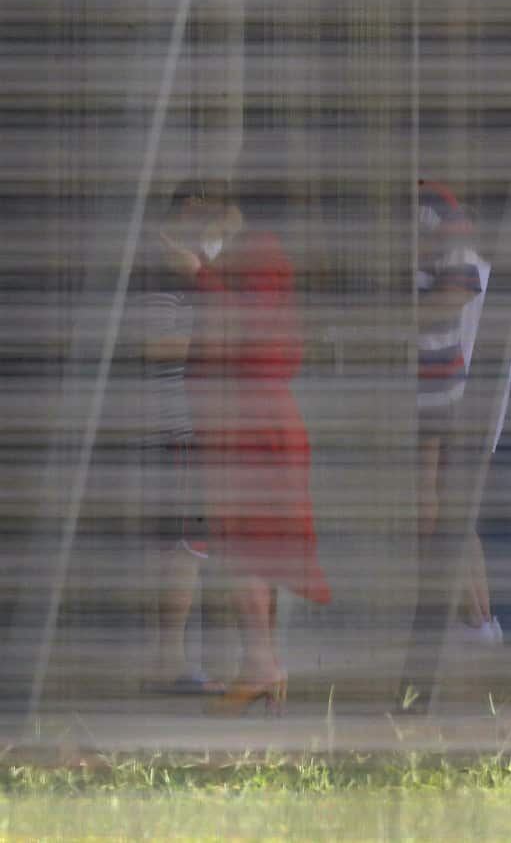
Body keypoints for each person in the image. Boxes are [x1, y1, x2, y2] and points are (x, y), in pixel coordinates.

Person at [179, 179, 331, 715]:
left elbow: (251, 330)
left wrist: (199, 275)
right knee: (249, 541)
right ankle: (262, 665)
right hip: (243, 417)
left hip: (250, 420)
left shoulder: (259, 254)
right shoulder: (260, 255)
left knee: (243, 541)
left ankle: (262, 663)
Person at [132, 190, 222, 695]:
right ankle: (170, 661)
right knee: (185, 547)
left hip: (183, 430)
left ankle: (169, 659)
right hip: (178, 432)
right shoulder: (164, 277)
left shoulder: (193, 279)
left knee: (182, 546)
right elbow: (151, 343)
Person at [413, 181, 508, 645]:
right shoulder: (476, 269)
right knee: (455, 511)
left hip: (459, 396)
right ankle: (479, 619)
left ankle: (473, 617)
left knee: (447, 510)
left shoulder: (465, 269)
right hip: (465, 397)